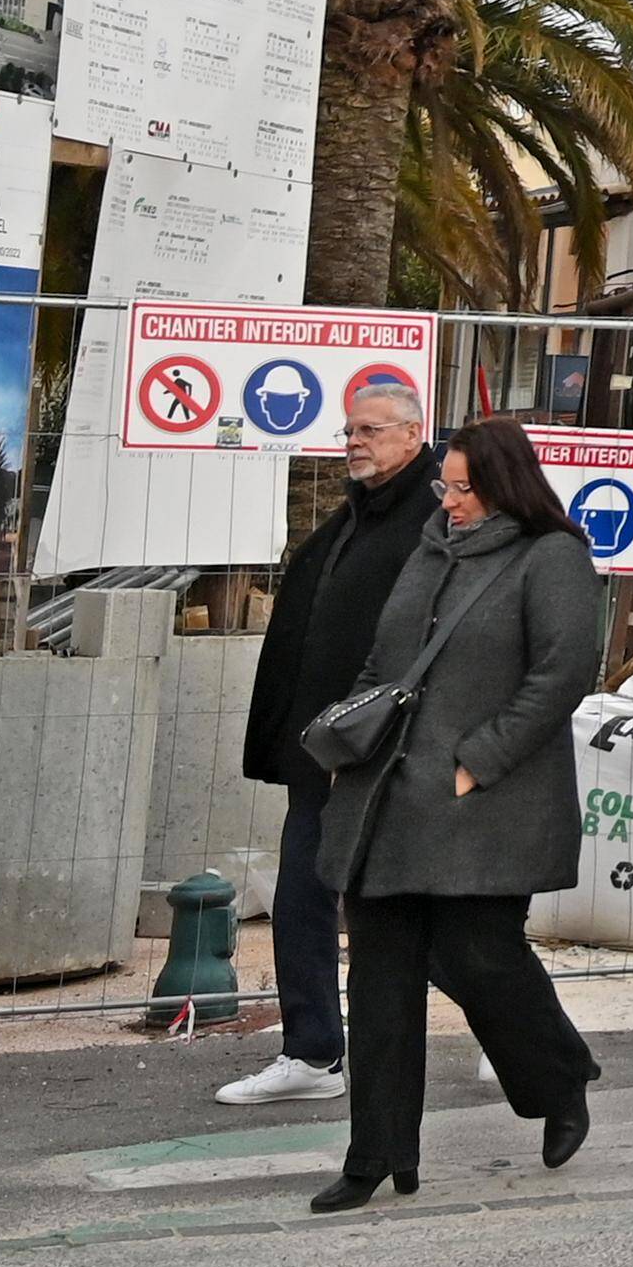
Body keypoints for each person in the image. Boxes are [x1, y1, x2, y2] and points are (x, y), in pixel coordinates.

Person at [307, 419, 605, 1210]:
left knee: (479, 956)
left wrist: (480, 760)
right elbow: (385, 658)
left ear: (507, 486)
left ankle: (558, 1076)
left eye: (466, 487)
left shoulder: (553, 558)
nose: (452, 500)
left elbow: (563, 673)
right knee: (378, 982)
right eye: (448, 485)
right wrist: (351, 732)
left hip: (489, 803)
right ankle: (375, 1155)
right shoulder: (432, 546)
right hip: (391, 798)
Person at [220, 379, 443, 1110]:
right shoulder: (353, 519)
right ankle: (313, 1050)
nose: (355, 441)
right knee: (301, 897)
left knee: (427, 915)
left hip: (392, 754)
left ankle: (511, 1030)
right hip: (326, 754)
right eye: (351, 430)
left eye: (372, 430)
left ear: (414, 434)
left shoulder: (437, 518)